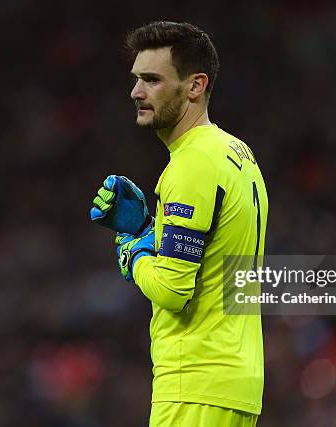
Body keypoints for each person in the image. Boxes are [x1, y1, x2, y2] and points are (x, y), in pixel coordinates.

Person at [90, 21, 268, 427]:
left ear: (195, 86)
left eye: (152, 80)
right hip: (233, 378)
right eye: (137, 80)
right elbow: (211, 255)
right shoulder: (237, 152)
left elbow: (172, 288)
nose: (136, 92)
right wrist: (152, 230)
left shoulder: (192, 164)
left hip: (196, 382)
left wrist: (132, 251)